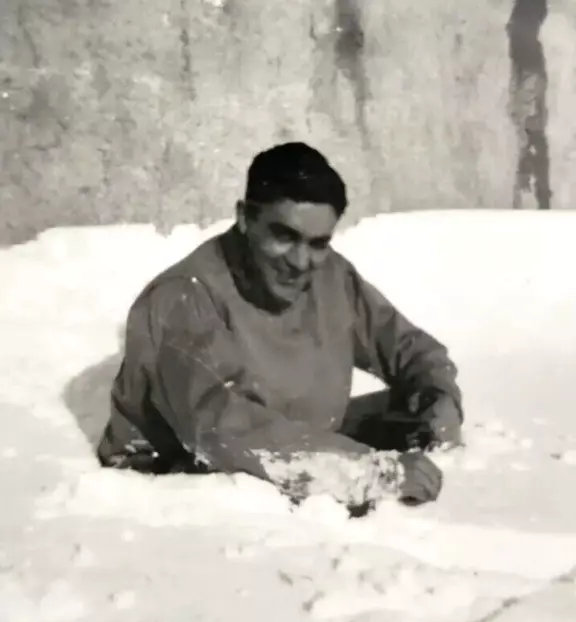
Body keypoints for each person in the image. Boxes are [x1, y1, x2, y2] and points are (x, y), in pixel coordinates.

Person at [97, 142, 464, 513]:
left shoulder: (331, 276)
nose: (301, 261)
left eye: (318, 243)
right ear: (244, 218)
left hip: (294, 449)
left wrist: (440, 402)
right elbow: (218, 428)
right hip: (184, 489)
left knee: (418, 406)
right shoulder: (182, 297)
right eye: (284, 236)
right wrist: (374, 472)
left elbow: (413, 351)